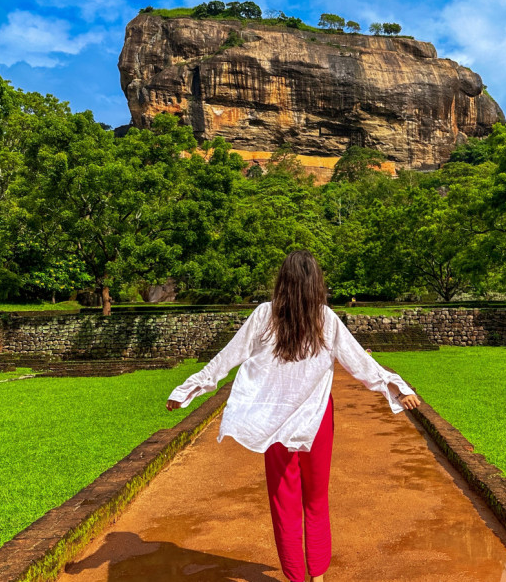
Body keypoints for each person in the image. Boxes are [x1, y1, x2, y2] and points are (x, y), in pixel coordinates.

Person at [165, 249, 420, 582]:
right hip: (316, 419)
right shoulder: (324, 318)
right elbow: (361, 363)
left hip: (274, 421)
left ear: (282, 280)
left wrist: (186, 390)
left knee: (284, 502)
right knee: (316, 499)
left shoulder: (266, 315)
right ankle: (318, 577)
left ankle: (296, 577)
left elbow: (226, 358)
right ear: (316, 283)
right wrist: (398, 388)